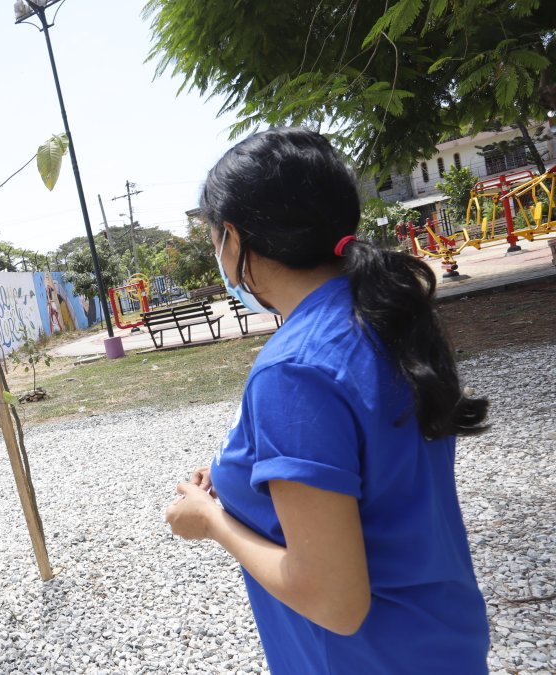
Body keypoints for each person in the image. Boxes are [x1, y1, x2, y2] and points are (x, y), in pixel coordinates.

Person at [164, 128, 491, 673]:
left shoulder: (293, 369)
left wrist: (210, 522)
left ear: (235, 239)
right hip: (439, 641)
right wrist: (237, 470)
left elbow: (334, 603)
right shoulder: (378, 316)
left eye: (213, 238)